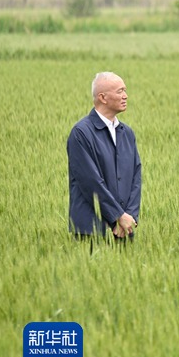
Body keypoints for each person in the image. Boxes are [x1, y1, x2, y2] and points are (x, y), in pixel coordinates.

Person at [67, 72, 141, 239]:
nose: (125, 96)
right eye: (120, 91)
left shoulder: (127, 133)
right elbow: (90, 181)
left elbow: (135, 177)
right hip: (91, 231)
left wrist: (129, 217)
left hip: (124, 229)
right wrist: (117, 217)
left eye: (125, 90)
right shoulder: (81, 133)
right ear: (103, 97)